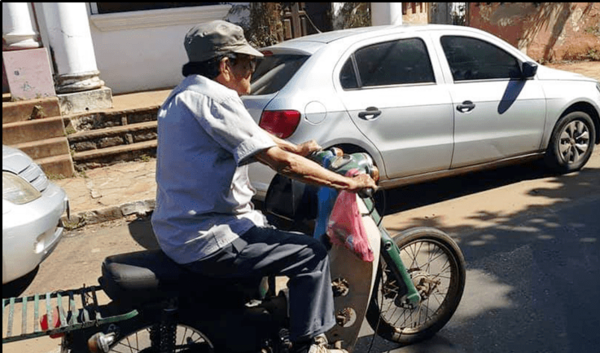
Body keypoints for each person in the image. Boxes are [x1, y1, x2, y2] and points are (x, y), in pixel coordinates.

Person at [151, 20, 377, 353]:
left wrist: (296, 148)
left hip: (178, 229)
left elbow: (253, 137)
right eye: (248, 64)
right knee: (310, 254)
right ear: (225, 66)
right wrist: (347, 182)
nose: (252, 71)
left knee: (266, 228)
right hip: (207, 236)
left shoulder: (186, 94)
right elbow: (280, 165)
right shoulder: (216, 99)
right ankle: (308, 345)